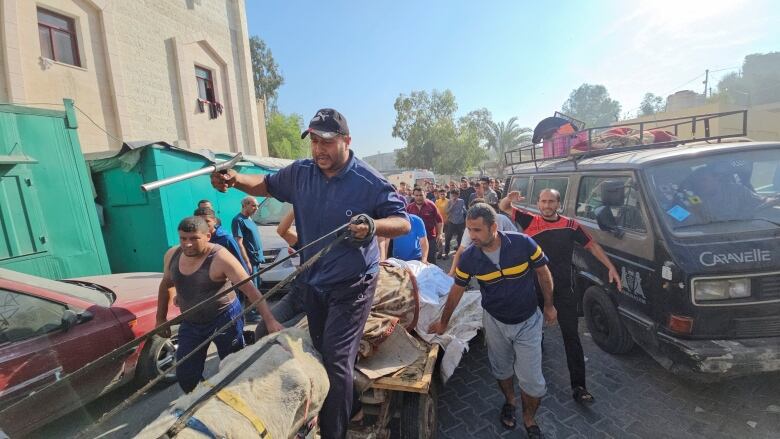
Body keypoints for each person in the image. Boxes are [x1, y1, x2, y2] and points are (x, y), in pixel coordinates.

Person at [211, 108, 409, 439]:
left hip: (353, 286)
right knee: (318, 349)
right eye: (314, 141)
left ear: (346, 141)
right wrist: (235, 181)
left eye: (327, 142)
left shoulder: (369, 181)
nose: (318, 149)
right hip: (314, 283)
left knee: (334, 360)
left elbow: (401, 221)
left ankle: (335, 431)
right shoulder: (301, 172)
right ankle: (342, 404)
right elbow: (265, 184)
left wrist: (373, 226)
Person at [428, 204, 555, 438]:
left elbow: (543, 273)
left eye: (477, 230)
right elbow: (457, 290)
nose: (472, 236)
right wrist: (444, 322)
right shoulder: (469, 258)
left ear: (494, 227)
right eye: (469, 230)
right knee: (501, 369)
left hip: (528, 322)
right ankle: (510, 401)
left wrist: (549, 305)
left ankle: (529, 418)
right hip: (495, 322)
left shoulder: (522, 243)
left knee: (533, 382)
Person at [499, 188, 622, 404]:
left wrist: (610, 267)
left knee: (572, 337)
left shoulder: (570, 225)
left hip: (564, 290)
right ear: (538, 203)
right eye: (543, 201)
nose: (547, 206)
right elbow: (503, 207)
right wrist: (509, 199)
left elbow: (592, 245)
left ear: (558, 204)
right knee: (532, 335)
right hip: (534, 289)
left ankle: (579, 387)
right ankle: (531, 378)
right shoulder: (530, 221)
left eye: (551, 202)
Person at [155, 216, 283, 393]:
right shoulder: (172, 255)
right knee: (186, 374)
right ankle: (201, 400)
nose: (188, 244)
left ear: (208, 236)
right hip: (191, 322)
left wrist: (269, 321)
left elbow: (250, 290)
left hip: (224, 318)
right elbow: (166, 284)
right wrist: (160, 318)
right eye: (183, 238)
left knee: (232, 367)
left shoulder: (221, 257)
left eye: (194, 238)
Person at [254, 209, 307, 338]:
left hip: (321, 299)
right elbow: (282, 231)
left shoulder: (338, 244)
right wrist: (297, 201)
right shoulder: (308, 241)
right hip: (298, 293)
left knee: (286, 333)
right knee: (262, 330)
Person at [448, 197, 517, 277]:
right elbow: (460, 251)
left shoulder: (502, 219)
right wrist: (451, 272)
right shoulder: (471, 226)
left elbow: (515, 238)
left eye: (477, 230)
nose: (473, 236)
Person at [194, 206, 249, 274]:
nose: (203, 224)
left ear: (215, 221)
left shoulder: (226, 239)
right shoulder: (193, 240)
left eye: (207, 221)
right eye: (200, 222)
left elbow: (240, 263)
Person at [232, 196, 265, 286]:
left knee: (257, 285)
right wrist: (247, 262)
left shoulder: (249, 219)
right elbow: (239, 243)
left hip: (256, 260)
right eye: (254, 206)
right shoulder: (238, 220)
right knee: (252, 288)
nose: (256, 209)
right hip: (250, 261)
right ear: (245, 205)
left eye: (257, 206)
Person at [407, 187, 443, 264]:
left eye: (421, 195)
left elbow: (439, 220)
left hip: (430, 239)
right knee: (417, 262)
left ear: (425, 194)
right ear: (413, 196)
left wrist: (440, 234)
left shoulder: (431, 205)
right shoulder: (409, 208)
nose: (419, 197)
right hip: (415, 240)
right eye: (416, 195)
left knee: (431, 261)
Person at [443, 188, 466, 258]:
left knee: (460, 238)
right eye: (452, 195)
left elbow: (464, 210)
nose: (454, 197)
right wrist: (452, 205)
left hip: (460, 222)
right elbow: (446, 211)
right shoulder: (449, 202)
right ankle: (446, 253)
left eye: (455, 195)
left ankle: (459, 253)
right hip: (451, 222)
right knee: (448, 238)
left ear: (458, 195)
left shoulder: (461, 201)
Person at [434, 189, 449, 258]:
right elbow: (435, 212)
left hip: (447, 222)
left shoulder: (449, 201)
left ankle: (446, 253)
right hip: (439, 222)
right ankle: (440, 252)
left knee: (447, 238)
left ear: (446, 194)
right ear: (439, 195)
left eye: (443, 194)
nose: (442, 195)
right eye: (441, 194)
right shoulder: (437, 201)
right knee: (439, 237)